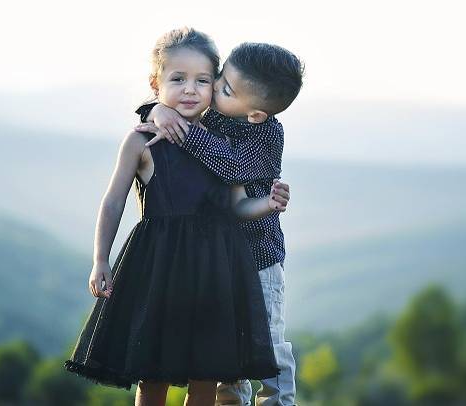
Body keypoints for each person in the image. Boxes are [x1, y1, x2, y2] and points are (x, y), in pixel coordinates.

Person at [64, 27, 291, 406]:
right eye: (178, 79)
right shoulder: (143, 138)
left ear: (215, 86)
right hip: (160, 271)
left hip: (216, 275)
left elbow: (237, 206)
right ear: (156, 82)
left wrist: (267, 204)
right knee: (153, 374)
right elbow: (113, 201)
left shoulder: (225, 140)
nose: (190, 89)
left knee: (206, 374)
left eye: (203, 81)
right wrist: (100, 259)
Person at [134, 41, 304, 406]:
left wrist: (182, 127)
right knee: (227, 346)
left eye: (223, 87)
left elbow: (231, 167)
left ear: (256, 113)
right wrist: (157, 109)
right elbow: (179, 104)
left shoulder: (267, 135)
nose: (211, 90)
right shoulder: (217, 114)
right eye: (219, 78)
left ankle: (278, 401)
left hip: (258, 257)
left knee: (265, 341)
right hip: (217, 258)